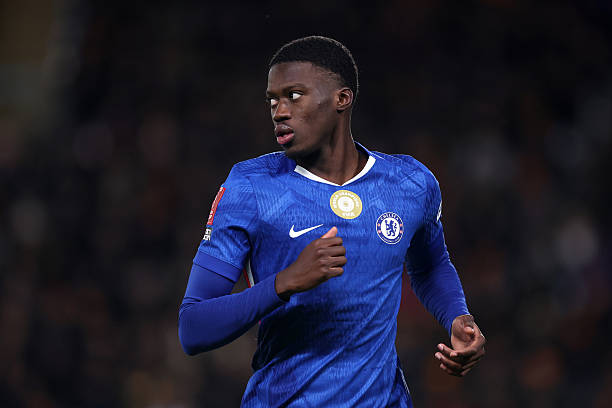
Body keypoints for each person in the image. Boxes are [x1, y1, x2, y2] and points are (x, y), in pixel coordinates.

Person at [178, 35, 485, 407]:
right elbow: (193, 328)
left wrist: (456, 316)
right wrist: (285, 282)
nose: (279, 111)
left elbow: (430, 265)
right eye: (272, 100)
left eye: (294, 95)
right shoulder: (251, 187)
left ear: (342, 98)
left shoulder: (409, 183)